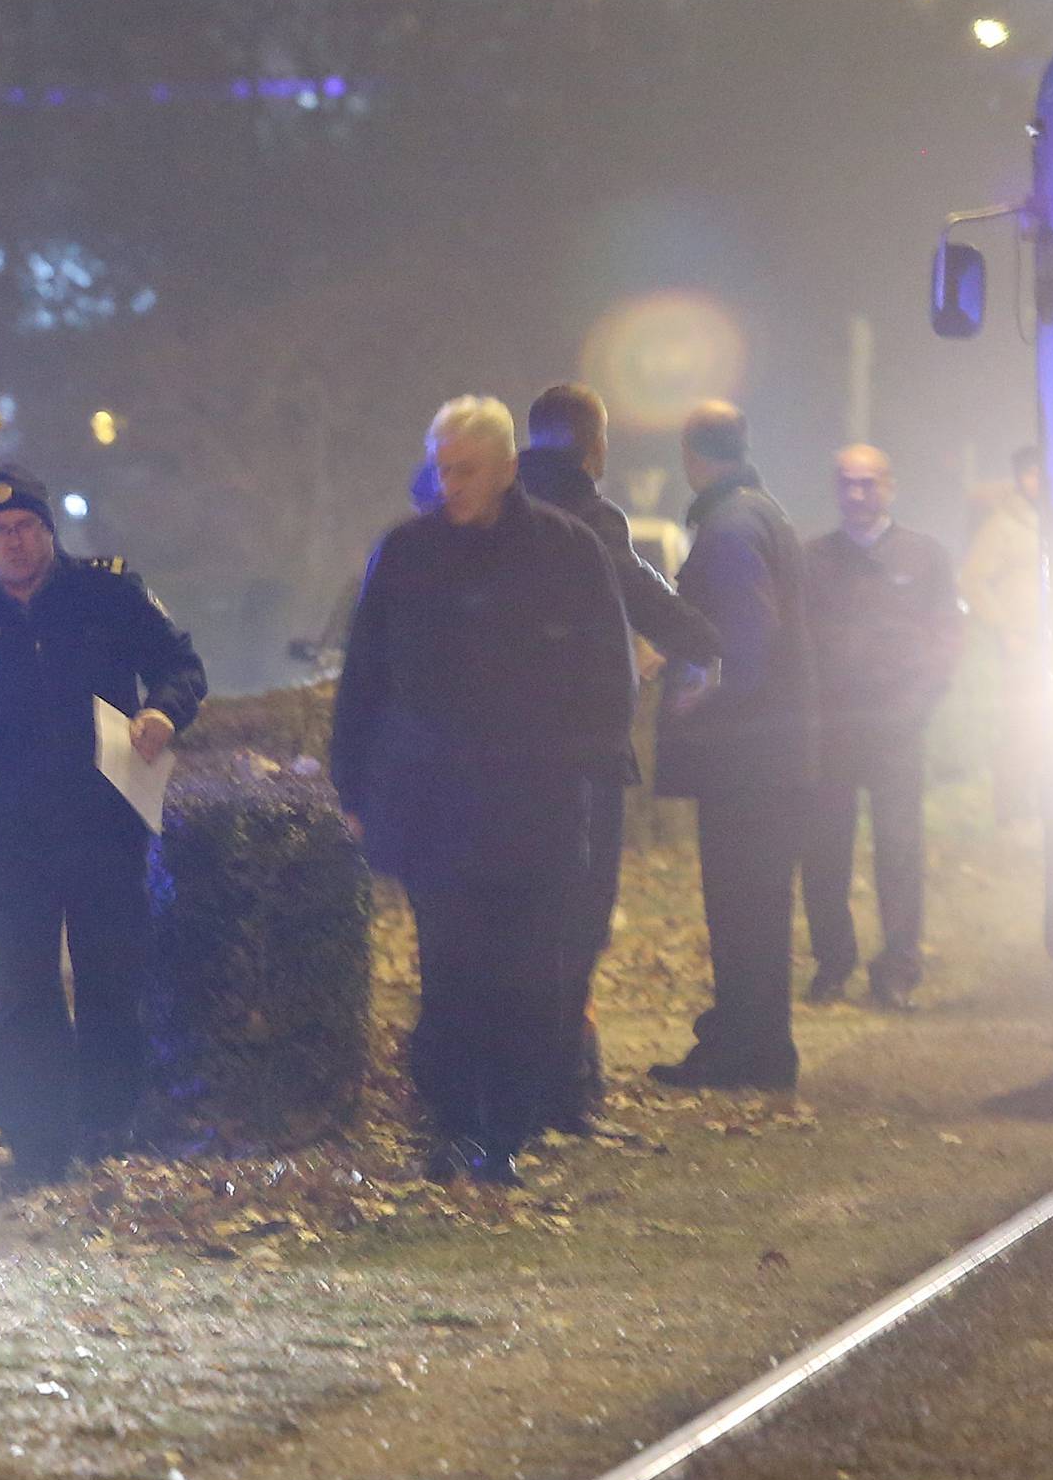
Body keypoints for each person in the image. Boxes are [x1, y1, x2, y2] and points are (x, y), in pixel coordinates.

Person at [330, 396, 635, 1185]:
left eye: (466, 469)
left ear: (506, 469)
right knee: (452, 971)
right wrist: (353, 782)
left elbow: (607, 671)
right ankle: (458, 1126)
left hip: (535, 801)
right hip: (437, 804)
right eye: (442, 468)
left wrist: (587, 763)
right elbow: (366, 673)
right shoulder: (406, 554)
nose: (451, 483)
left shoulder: (566, 552)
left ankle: (505, 1124)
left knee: (530, 973)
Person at [0, 467, 207, 1184]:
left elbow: (179, 662)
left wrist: (163, 712)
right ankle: (36, 1139)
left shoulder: (108, 593)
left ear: (49, 531)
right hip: (8, 831)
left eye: (26, 528)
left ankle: (108, 1122)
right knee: (24, 986)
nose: (14, 543)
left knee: (111, 972)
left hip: (103, 818)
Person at [516, 381, 722, 1124]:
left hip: (506, 755)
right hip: (580, 751)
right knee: (580, 916)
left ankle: (526, 1077)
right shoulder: (592, 521)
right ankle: (563, 1085)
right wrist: (708, 642)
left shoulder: (497, 513)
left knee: (524, 916)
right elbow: (643, 595)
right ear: (596, 447)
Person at [652, 402, 818, 1089]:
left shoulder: (727, 528)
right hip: (773, 755)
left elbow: (743, 642)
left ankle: (744, 1048)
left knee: (740, 903)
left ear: (693, 455)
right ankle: (760, 1040)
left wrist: (700, 694)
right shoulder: (765, 512)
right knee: (762, 903)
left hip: (743, 760)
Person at [801, 446, 963, 1011]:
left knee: (898, 849)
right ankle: (833, 963)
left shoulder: (924, 557)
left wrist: (919, 705)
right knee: (825, 851)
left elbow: (947, 634)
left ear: (889, 487)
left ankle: (897, 969)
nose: (856, 494)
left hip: (897, 728)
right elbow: (798, 641)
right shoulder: (814, 558)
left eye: (867, 484)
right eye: (846, 483)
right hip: (833, 730)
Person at [960, 442, 1043, 827]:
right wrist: (1005, 626)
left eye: (1041, 472)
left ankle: (1046, 802)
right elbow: (972, 581)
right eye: (1029, 473)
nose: (1036, 481)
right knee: (1020, 725)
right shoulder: (1004, 524)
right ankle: (1010, 809)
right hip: (1023, 641)